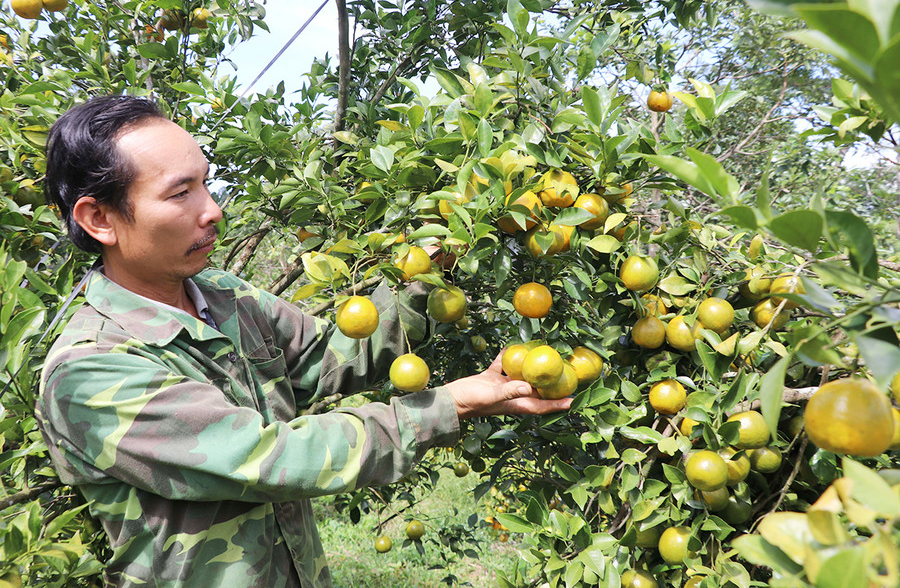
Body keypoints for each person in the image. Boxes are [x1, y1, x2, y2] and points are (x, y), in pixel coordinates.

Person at [35, 95, 570, 588]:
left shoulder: (226, 296)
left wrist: (434, 260)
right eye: (181, 193)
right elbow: (271, 457)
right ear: (99, 218)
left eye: (205, 184)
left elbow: (333, 357)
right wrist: (450, 404)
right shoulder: (90, 370)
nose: (213, 209)